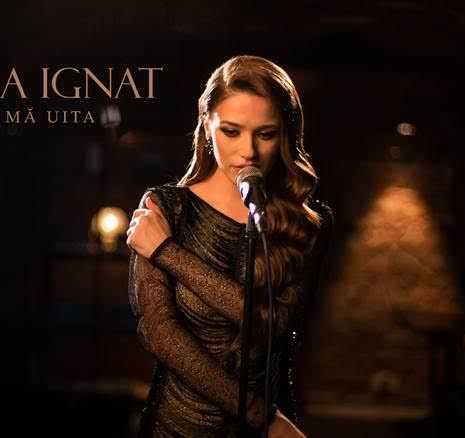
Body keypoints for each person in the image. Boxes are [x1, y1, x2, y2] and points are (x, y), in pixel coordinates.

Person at [126, 55, 333, 438]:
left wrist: (167, 253)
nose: (248, 151)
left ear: (285, 135)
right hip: (180, 427)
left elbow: (276, 324)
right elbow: (159, 333)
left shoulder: (306, 224)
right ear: (207, 124)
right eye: (231, 131)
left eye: (265, 134)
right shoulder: (166, 209)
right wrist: (262, 417)